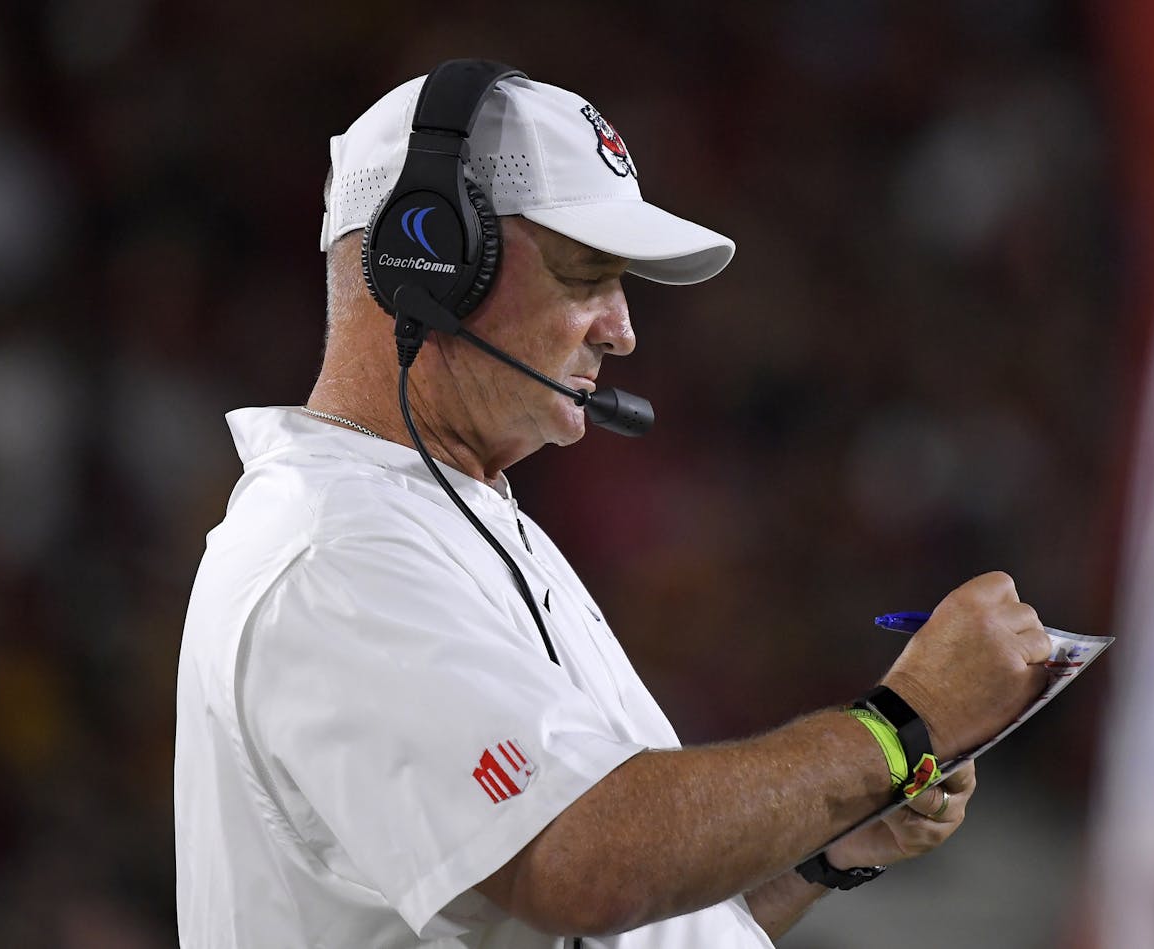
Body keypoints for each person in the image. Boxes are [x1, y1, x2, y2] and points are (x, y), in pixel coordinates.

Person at [174, 63, 1053, 948]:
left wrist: (822, 849)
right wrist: (901, 725)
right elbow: (585, 867)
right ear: (428, 259)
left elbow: (601, 918)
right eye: (585, 273)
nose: (623, 328)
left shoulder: (458, 519)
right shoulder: (335, 555)